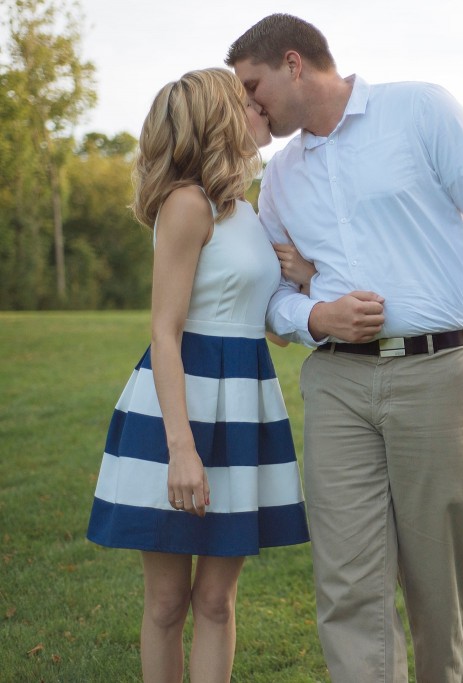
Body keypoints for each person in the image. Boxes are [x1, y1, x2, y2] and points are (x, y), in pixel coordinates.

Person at [226, 14, 463, 683]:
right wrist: (317, 313)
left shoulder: (418, 109)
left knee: (437, 581)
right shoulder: (278, 180)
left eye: (253, 87)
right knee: (347, 584)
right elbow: (273, 299)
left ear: (292, 62)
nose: (249, 105)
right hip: (337, 387)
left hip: (440, 372)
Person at [86, 67, 310, 683]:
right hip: (179, 410)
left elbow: (262, 320)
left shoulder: (246, 210)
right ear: (217, 118)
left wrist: (304, 276)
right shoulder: (187, 203)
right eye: (244, 102)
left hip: (243, 404)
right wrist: (180, 449)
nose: (258, 107)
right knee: (166, 603)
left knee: (216, 600)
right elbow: (165, 329)